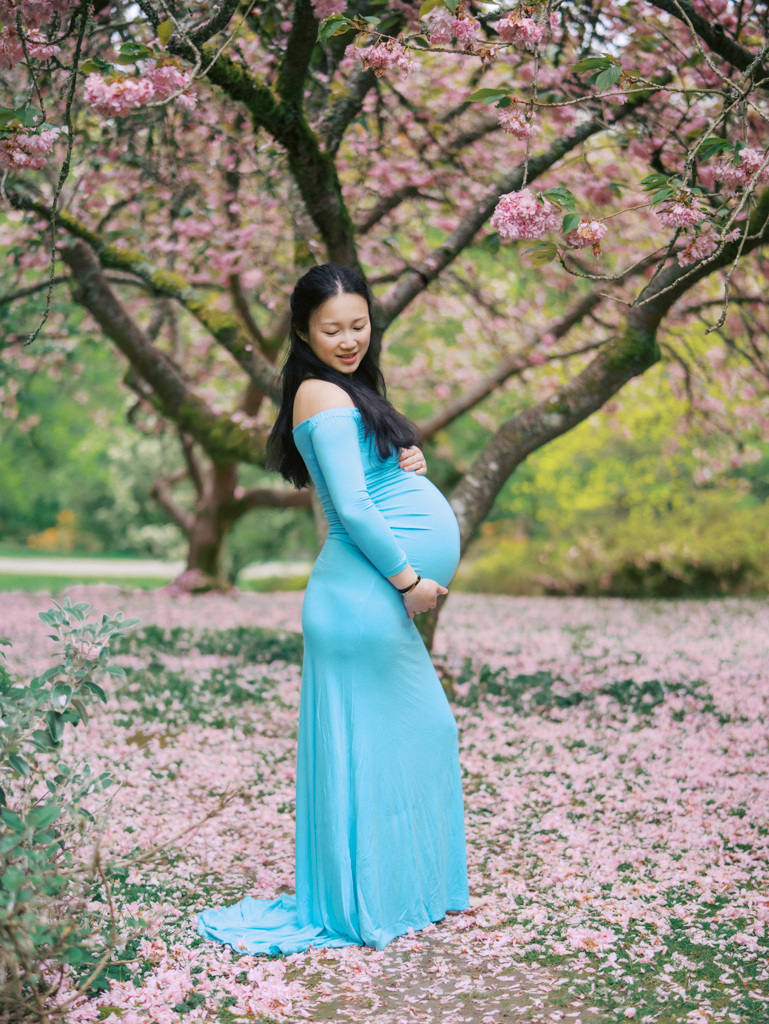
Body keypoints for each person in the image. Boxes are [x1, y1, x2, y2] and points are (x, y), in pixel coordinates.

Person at [196, 263, 469, 955]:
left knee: (407, 738)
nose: (348, 339)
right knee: (392, 743)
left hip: (361, 598)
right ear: (301, 332)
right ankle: (368, 902)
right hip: (362, 596)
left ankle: (394, 894)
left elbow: (367, 479)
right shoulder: (319, 394)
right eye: (332, 329)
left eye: (358, 325)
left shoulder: (343, 391)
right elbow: (348, 506)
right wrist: (409, 581)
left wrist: (408, 463)